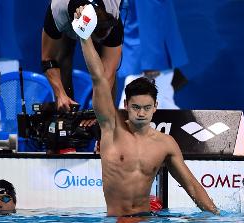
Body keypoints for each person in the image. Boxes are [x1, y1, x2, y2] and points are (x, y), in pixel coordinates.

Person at [79, 36, 219, 216]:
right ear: (126, 105)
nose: (141, 113)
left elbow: (191, 185)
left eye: (147, 108)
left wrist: (215, 216)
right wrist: (85, 38)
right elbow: (98, 77)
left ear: (155, 107)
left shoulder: (165, 143)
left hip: (147, 219)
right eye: (136, 107)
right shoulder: (112, 129)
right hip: (116, 220)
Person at [41, 0, 123, 112]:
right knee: (62, 57)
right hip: (69, 15)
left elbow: (108, 72)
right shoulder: (58, 10)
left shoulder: (112, 12)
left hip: (102, 15)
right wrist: (60, 94)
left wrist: (101, 113)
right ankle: (66, 111)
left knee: (105, 99)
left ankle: (108, 116)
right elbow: (48, 59)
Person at [117, 0, 189, 109]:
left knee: (131, 110)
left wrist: (152, 62)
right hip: (143, 56)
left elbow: (149, 16)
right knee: (164, 106)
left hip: (147, 59)